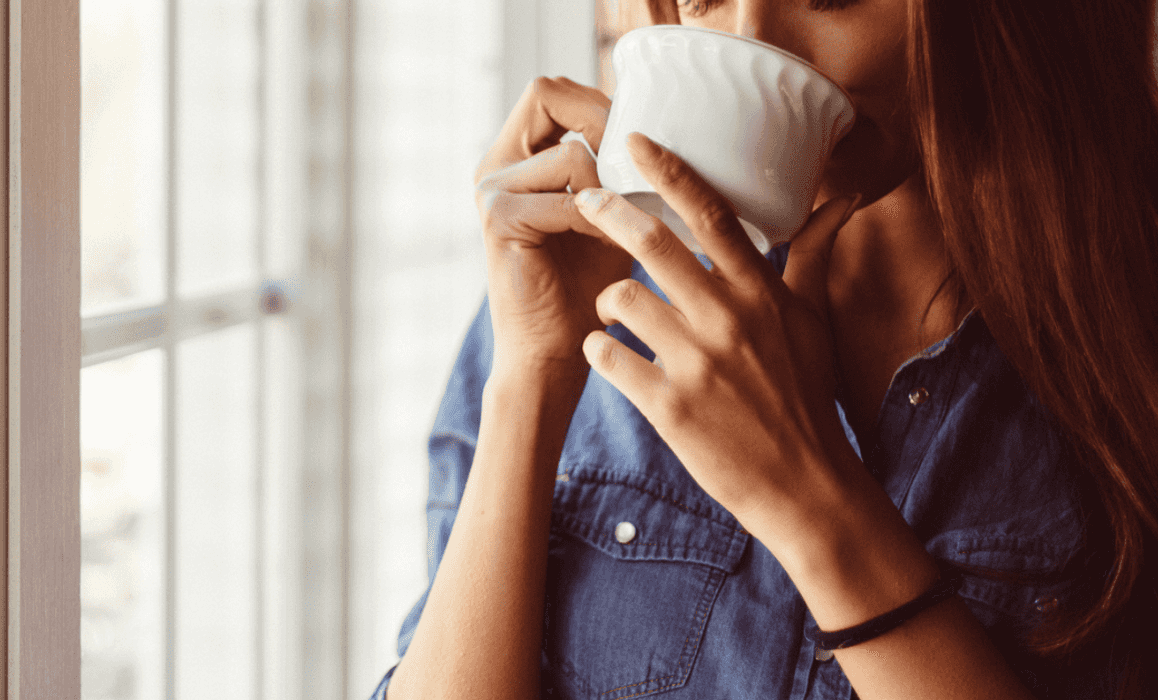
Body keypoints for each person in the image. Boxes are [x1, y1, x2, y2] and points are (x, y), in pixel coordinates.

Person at [371, 0, 1158, 697]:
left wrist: (810, 501)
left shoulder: (1124, 353)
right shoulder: (583, 294)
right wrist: (531, 375)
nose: (754, 46)